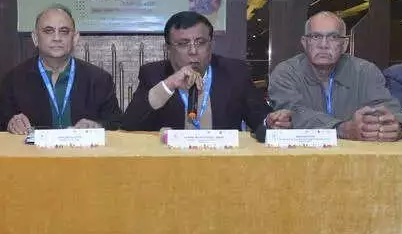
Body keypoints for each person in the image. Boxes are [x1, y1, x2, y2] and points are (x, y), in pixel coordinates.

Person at [122, 11, 290, 139]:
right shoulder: (153, 74)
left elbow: (259, 117)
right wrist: (169, 84)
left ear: (211, 44)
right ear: (169, 49)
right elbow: (129, 126)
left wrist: (270, 122)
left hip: (223, 162)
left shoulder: (235, 72)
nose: (193, 51)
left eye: (200, 43)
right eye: (183, 44)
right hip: (171, 164)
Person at [268, 11, 402, 141]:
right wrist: (342, 129)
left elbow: (391, 110)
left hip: (357, 158)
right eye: (316, 36)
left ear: (344, 44)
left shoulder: (365, 71)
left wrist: (397, 128)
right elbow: (293, 114)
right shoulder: (286, 72)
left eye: (333, 37)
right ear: (305, 43)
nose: (324, 45)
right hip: (301, 155)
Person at [0, 5, 122, 134]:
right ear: (35, 38)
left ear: (75, 38)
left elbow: (116, 123)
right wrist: (11, 123)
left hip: (84, 147)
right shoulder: (14, 79)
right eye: (48, 31)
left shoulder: (99, 79)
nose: (57, 38)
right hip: (34, 147)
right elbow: (0, 122)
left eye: (64, 31)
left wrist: (98, 126)